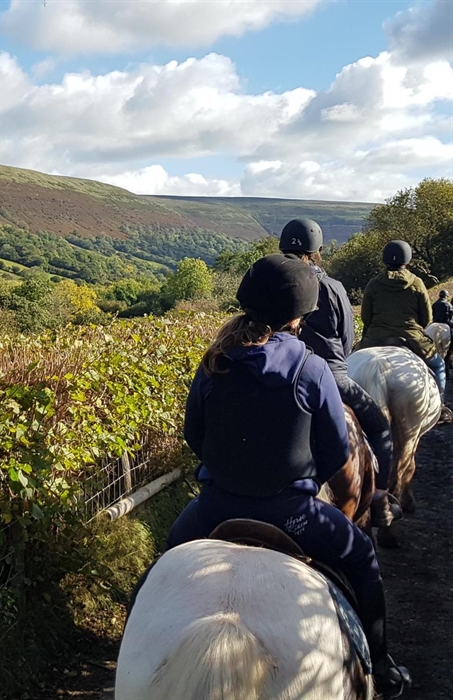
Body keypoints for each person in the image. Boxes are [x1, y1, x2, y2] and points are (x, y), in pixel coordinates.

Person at [166, 254, 409, 696]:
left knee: (160, 569)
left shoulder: (213, 361)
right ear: (299, 314)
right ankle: (380, 663)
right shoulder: (311, 368)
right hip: (294, 514)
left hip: (215, 506)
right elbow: (336, 453)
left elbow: (193, 435)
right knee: (361, 561)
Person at [278, 219, 399, 526]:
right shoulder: (332, 287)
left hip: (279, 373)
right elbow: (346, 341)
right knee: (381, 429)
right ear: (316, 251)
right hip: (331, 377)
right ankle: (379, 501)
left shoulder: (273, 280)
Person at [356, 240, 451, 422]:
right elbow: (427, 318)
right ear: (407, 260)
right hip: (412, 338)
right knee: (438, 365)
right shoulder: (417, 283)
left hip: (376, 338)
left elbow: (366, 317)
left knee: (349, 363)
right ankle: (440, 406)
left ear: (385, 260)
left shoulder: (374, 284)